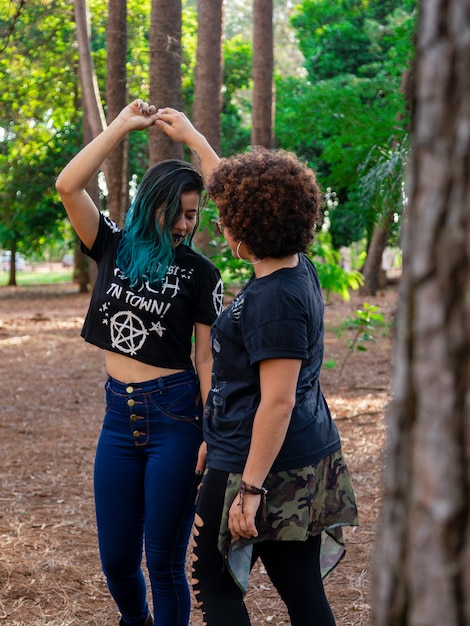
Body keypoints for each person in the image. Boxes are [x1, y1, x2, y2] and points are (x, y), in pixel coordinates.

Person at [155, 108, 359, 626]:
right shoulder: (294, 264)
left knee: (214, 582)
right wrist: (197, 140)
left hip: (263, 465)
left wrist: (248, 490)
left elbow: (278, 399)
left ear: (248, 228)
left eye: (225, 220)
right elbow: (249, 193)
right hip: (287, 452)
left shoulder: (274, 300)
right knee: (300, 587)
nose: (219, 225)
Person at [55, 100, 224, 626]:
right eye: (174, 211)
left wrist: (209, 433)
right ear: (150, 203)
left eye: (193, 213)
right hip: (118, 418)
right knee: (118, 562)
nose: (183, 223)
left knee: (165, 564)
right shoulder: (111, 245)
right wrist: (122, 126)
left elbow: (206, 359)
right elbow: (68, 185)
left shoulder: (201, 273)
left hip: (176, 416)